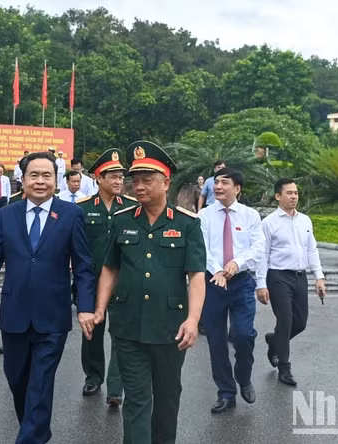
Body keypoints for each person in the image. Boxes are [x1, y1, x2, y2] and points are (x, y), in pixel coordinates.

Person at [0, 152, 96, 444]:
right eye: (34, 175)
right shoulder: (7, 214)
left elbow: (85, 266)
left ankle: (29, 438)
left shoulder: (71, 214)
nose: (40, 181)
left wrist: (85, 307)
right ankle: (37, 430)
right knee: (18, 381)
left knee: (40, 383)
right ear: (22, 180)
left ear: (56, 180)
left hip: (52, 316)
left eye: (46, 175)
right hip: (14, 314)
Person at [95, 141, 206, 444]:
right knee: (137, 400)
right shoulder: (121, 221)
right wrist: (100, 309)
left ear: (166, 182)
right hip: (129, 326)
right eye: (135, 180)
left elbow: (196, 276)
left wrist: (193, 319)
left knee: (168, 399)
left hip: (171, 328)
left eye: (147, 179)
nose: (139, 186)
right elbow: (110, 268)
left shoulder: (187, 224)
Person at [198, 168, 264, 414]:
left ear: (237, 189)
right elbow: (201, 248)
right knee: (216, 341)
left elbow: (258, 249)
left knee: (244, 335)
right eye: (216, 182)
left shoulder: (250, 216)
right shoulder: (204, 216)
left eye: (225, 183)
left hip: (241, 282)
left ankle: (243, 376)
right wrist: (217, 271)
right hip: (213, 283)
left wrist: (236, 264)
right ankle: (226, 393)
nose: (218, 186)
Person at [75, 148, 137, 407]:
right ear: (98, 178)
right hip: (91, 281)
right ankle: (93, 375)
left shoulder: (133, 208)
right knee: (91, 333)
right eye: (112, 176)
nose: (118, 180)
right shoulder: (82, 209)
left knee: (122, 334)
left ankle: (116, 386)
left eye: (121, 176)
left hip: (123, 282)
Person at [255, 179, 326, 387]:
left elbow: (311, 249)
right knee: (285, 320)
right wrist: (261, 283)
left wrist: (319, 277)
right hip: (278, 277)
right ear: (278, 196)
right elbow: (262, 255)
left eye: (296, 193)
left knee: (300, 322)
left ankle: (274, 340)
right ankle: (284, 368)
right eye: (289, 193)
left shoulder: (305, 220)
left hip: (299, 276)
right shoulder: (269, 223)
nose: (294, 197)